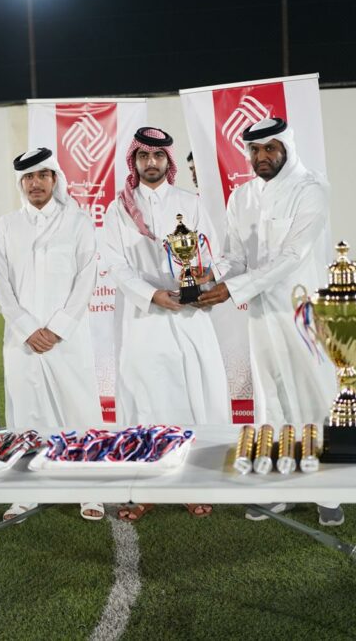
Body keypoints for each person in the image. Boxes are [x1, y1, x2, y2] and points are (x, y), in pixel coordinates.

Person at [195, 117, 343, 526]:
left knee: (315, 397)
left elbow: (293, 256)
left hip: (303, 313)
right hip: (261, 314)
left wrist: (232, 289)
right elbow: (235, 257)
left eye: (270, 149)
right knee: (271, 398)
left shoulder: (311, 189)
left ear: (286, 149)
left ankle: (328, 492)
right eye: (255, 150)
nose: (261, 157)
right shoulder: (241, 197)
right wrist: (207, 276)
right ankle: (277, 489)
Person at [101, 127, 228, 521]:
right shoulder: (118, 209)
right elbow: (115, 264)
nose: (151, 162)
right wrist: (152, 294)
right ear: (134, 161)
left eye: (158, 156)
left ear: (168, 161)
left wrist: (201, 279)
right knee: (146, 400)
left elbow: (212, 254)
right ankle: (144, 489)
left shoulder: (189, 203)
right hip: (143, 319)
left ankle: (193, 485)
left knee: (192, 397)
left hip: (189, 317)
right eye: (144, 156)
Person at [0, 147, 104, 522]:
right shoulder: (5, 226)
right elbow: (1, 285)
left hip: (67, 338)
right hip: (21, 340)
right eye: (28, 177)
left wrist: (57, 328)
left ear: (55, 179)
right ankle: (26, 493)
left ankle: (89, 490)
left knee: (79, 410)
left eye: (42, 175)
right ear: (20, 183)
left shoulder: (78, 222)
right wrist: (26, 328)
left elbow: (86, 278)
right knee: (26, 411)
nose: (35, 183)